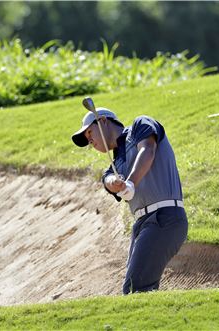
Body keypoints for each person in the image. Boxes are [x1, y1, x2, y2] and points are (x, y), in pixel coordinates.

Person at [71, 107, 188, 294]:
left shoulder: (139, 126)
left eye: (90, 133)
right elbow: (108, 181)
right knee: (138, 288)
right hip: (143, 225)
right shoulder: (114, 166)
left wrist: (130, 183)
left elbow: (148, 150)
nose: (89, 141)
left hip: (165, 217)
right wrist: (115, 183)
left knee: (136, 289)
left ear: (103, 121)